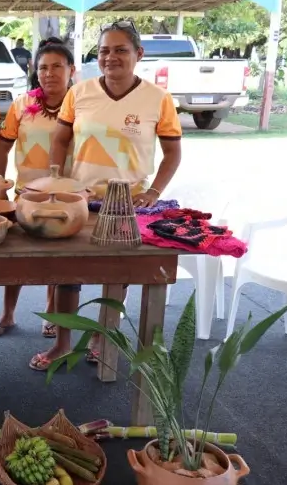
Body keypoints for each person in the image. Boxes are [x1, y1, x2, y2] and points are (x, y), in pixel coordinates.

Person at [29, 20, 182, 372]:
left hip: (127, 205)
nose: (110, 57)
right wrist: (58, 179)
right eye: (104, 51)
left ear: (138, 54)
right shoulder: (79, 93)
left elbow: (172, 153)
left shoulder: (158, 99)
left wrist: (154, 192)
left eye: (120, 50)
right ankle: (63, 343)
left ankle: (101, 338)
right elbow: (60, 139)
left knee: (118, 275)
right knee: (68, 273)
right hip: (80, 202)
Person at [0, 37, 75, 339]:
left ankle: (51, 315)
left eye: (57, 67)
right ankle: (7, 314)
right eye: (43, 67)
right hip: (25, 196)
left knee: (58, 260)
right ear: (34, 69)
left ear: (71, 70)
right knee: (17, 259)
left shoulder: (82, 105)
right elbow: (2, 145)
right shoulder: (22, 105)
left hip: (65, 199)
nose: (49, 73)